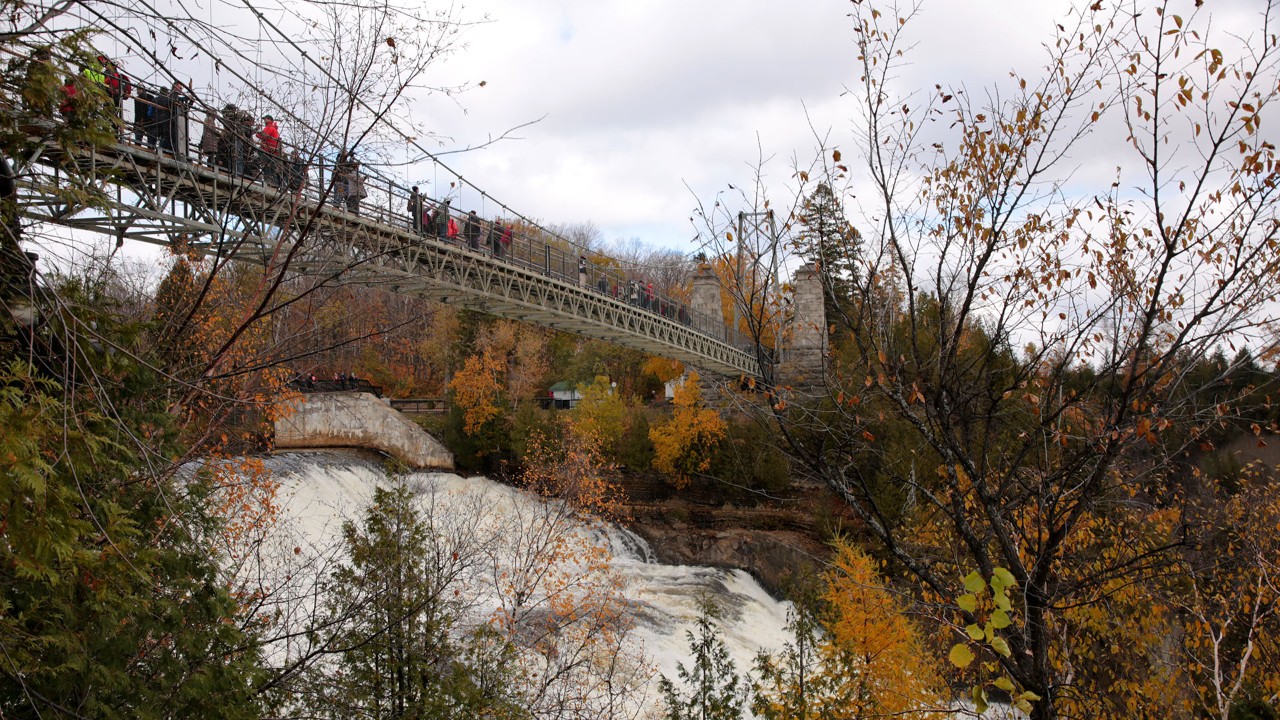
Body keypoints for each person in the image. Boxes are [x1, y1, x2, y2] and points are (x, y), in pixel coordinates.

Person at [256, 114, 281, 185]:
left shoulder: (270, 127)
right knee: (271, 167)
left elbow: (264, 136)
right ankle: (274, 183)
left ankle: (268, 181)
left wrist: (258, 133)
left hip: (268, 149)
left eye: (265, 119)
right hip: (272, 150)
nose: (264, 120)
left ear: (270, 120)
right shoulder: (273, 128)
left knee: (265, 164)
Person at [168, 82, 190, 161]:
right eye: (180, 88)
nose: (181, 90)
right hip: (172, 121)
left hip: (175, 121)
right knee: (172, 138)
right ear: (174, 87)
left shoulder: (173, 96)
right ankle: (173, 152)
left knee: (174, 138)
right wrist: (187, 98)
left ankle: (174, 152)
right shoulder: (172, 96)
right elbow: (178, 100)